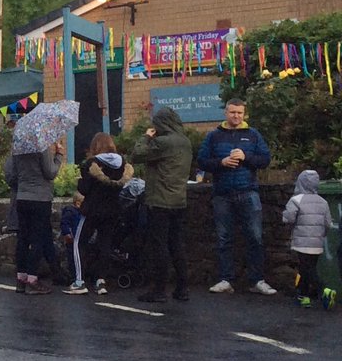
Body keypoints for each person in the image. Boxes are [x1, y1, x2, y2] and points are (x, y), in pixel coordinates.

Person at [196, 98, 275, 295]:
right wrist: (221, 162)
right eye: (233, 112)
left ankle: (257, 280)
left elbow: (265, 160)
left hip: (248, 190)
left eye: (240, 113)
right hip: (222, 193)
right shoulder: (214, 136)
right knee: (224, 238)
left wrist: (246, 158)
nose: (236, 116)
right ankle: (225, 279)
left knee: (255, 238)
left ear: (244, 113)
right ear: (226, 113)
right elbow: (202, 161)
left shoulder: (253, 134)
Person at [134, 106, 193, 303]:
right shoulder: (185, 141)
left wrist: (146, 137)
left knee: (159, 245)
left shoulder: (162, 142)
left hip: (159, 201)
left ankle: (159, 289)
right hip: (179, 200)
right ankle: (182, 288)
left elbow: (138, 155)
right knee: (176, 243)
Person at [65, 133, 133, 296]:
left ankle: (79, 282)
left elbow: (84, 189)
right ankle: (100, 281)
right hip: (112, 211)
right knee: (105, 245)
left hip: (92, 210)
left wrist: (80, 181)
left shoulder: (92, 163)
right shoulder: (122, 164)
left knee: (78, 242)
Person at [5, 139, 64, 294]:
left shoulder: (17, 149)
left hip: (22, 198)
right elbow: (50, 172)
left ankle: (21, 279)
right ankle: (32, 280)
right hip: (40, 199)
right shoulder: (41, 148)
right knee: (37, 239)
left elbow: (12, 176)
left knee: (23, 239)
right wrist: (58, 155)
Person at [283, 169, 332, 307]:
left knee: (307, 269)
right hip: (317, 242)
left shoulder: (296, 200)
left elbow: (289, 218)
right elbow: (328, 223)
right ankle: (304, 297)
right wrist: (321, 235)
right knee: (308, 268)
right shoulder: (323, 202)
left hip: (302, 241)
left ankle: (324, 289)